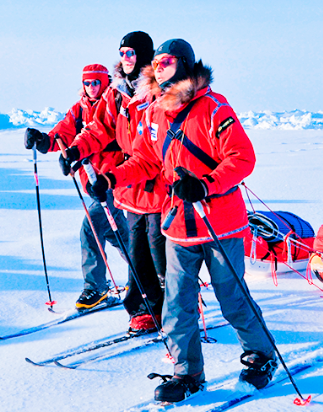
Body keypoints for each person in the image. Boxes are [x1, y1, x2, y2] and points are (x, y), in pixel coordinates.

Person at [93, 38, 278, 402]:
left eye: (167, 60)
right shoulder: (154, 114)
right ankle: (187, 372)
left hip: (219, 222)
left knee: (232, 298)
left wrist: (206, 185)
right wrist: (112, 177)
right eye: (156, 61)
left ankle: (261, 357)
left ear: (185, 64)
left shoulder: (214, 108)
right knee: (176, 304)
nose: (158, 66)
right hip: (177, 223)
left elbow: (242, 158)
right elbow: (146, 162)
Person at [60, 31, 166, 334]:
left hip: (159, 187)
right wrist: (75, 151)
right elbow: (98, 128)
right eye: (122, 53)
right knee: (137, 252)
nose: (126, 59)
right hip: (130, 187)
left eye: (131, 53)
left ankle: (176, 307)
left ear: (145, 55)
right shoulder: (117, 94)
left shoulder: (158, 92)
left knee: (158, 254)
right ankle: (144, 309)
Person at [23, 64, 129, 310]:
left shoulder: (114, 103)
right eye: (87, 83)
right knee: (118, 233)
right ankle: (154, 273)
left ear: (105, 83)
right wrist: (42, 139)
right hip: (92, 184)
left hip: (116, 180)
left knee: (91, 228)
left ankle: (96, 289)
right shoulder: (79, 110)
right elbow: (61, 135)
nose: (91, 88)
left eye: (96, 83)